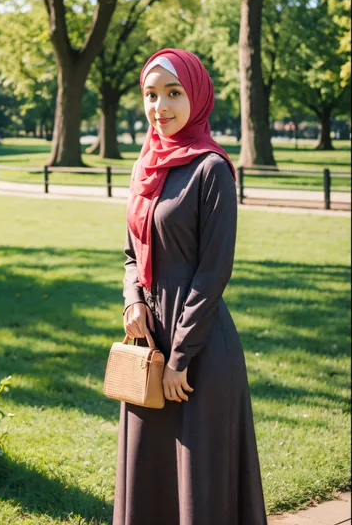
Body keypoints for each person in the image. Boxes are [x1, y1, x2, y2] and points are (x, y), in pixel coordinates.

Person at [112, 49, 268, 525]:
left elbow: (213, 272)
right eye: (151, 94)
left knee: (199, 475)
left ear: (197, 97)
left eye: (173, 93)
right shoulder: (147, 165)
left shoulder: (211, 169)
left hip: (198, 347)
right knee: (148, 466)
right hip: (148, 341)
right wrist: (133, 298)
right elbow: (131, 253)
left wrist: (180, 358)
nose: (160, 106)